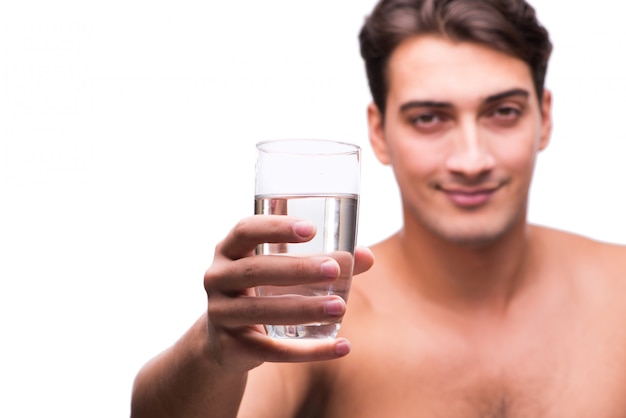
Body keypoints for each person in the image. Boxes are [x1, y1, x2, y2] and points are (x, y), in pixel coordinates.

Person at [131, 0, 626, 416]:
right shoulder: (321, 313)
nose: (472, 159)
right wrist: (214, 351)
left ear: (545, 117)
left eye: (503, 112)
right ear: (379, 132)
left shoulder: (618, 298)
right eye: (429, 118)